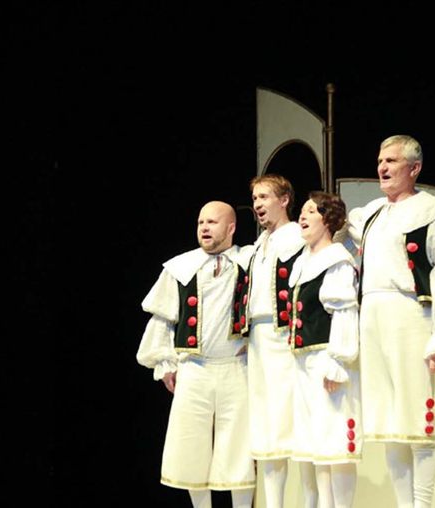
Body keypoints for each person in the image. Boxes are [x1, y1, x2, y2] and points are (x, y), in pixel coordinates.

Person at [345, 135, 435, 508]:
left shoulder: (433, 212)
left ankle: (422, 504)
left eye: (392, 161)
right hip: (372, 315)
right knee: (389, 422)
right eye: (380, 161)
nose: (382, 168)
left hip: (410, 316)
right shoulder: (372, 213)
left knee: (417, 420)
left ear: (414, 168)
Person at [136, 201, 256, 508]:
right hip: (194, 368)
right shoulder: (181, 267)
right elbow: (162, 317)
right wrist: (164, 363)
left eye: (212, 222)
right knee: (191, 449)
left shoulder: (249, 260)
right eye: (201, 222)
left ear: (231, 228)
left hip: (236, 366)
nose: (204, 227)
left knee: (239, 449)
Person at [239, 174, 317, 508]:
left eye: (264, 197)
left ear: (284, 200)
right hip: (258, 339)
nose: (257, 204)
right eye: (255, 198)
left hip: (287, 338)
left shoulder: (298, 238)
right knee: (266, 426)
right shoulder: (259, 245)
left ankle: (312, 502)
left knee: (296, 422)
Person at [288, 192, 362, 508]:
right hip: (304, 363)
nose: (302, 217)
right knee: (316, 444)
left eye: (311, 211)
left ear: (328, 219)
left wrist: (338, 361)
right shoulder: (305, 262)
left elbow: (344, 313)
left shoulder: (337, 261)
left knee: (334, 444)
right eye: (302, 211)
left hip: (326, 360)